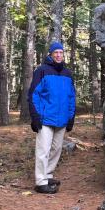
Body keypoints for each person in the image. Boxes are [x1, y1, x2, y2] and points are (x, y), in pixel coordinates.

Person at [28, 42, 76, 194]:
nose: (58, 55)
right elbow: (33, 94)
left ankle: (48, 175)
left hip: (62, 120)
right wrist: (35, 117)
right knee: (43, 150)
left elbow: (71, 97)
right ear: (50, 54)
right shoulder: (42, 71)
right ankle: (40, 182)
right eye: (55, 52)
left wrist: (71, 117)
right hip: (45, 119)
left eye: (61, 52)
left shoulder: (67, 73)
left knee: (56, 150)